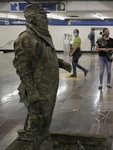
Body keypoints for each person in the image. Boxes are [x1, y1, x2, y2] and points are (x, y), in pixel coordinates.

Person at [13, 3, 71, 149]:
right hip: (39, 90)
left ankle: (46, 141)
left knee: (46, 118)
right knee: (38, 121)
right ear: (33, 20)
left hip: (48, 87)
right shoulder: (27, 38)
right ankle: (40, 146)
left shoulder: (41, 36)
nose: (47, 20)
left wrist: (61, 63)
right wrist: (31, 92)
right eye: (43, 17)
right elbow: (22, 68)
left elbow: (46, 58)